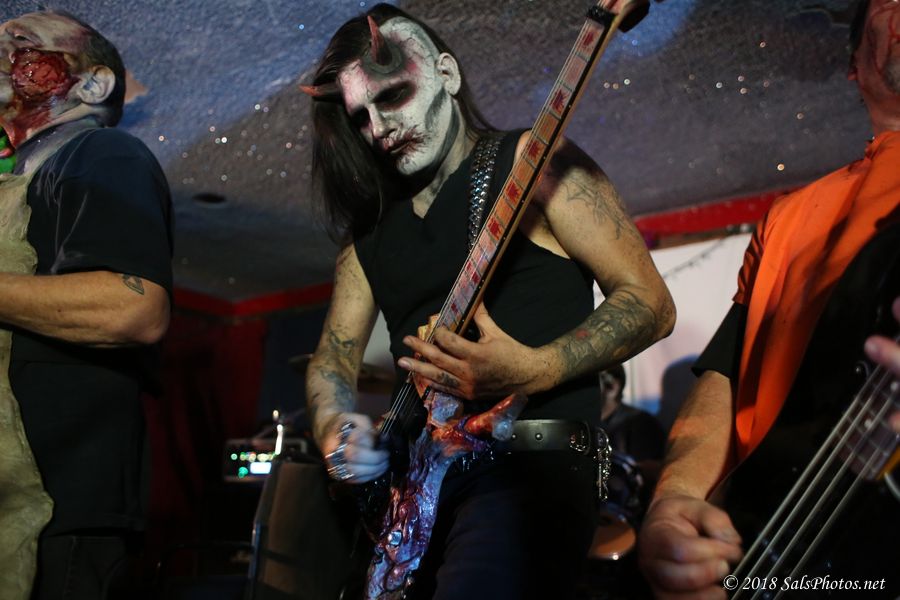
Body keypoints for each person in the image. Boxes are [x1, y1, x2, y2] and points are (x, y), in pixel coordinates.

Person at [302, 3, 674, 598]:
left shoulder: (535, 163)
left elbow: (651, 303)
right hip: (417, 489)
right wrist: (334, 430)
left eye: (393, 96)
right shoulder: (366, 238)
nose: (380, 128)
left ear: (446, 73)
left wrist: (537, 367)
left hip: (530, 464)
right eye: (361, 117)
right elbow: (332, 358)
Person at [637, 0, 900, 597]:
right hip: (773, 549)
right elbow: (726, 374)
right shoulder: (788, 218)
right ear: (854, 66)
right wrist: (676, 501)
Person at [0, 10, 173, 600]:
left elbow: (134, 307)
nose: (3, 51)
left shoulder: (102, 153)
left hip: (61, 504)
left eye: (21, 43)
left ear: (92, 84)